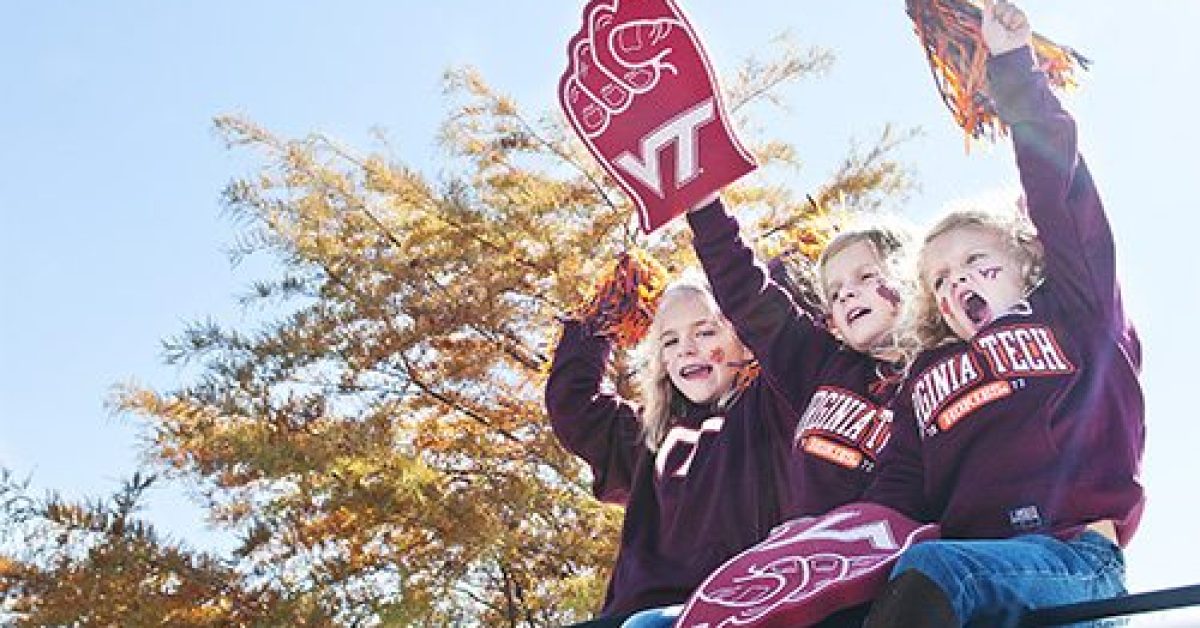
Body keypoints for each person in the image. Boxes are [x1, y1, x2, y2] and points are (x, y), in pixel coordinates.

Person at [861, 1, 1145, 625]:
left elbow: (1060, 192)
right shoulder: (924, 379)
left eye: (976, 262)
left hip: (1072, 565)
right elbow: (894, 495)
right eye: (940, 278)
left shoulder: (1075, 309)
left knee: (939, 572)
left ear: (1028, 263)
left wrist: (1014, 68)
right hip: (966, 580)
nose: (957, 278)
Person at [545, 271, 796, 627]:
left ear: (746, 340)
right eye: (670, 341)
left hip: (736, 606)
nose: (686, 349)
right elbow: (573, 405)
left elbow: (789, 335)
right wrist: (598, 314)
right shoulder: (652, 433)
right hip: (633, 613)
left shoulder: (770, 407)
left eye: (705, 332)